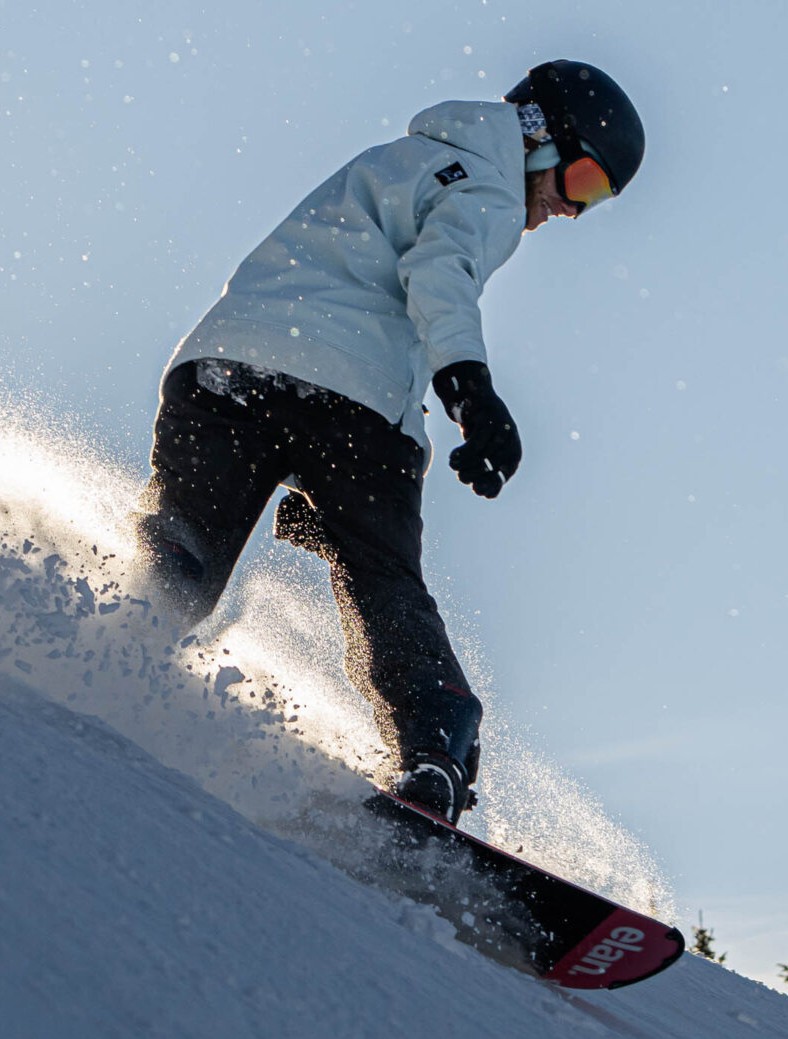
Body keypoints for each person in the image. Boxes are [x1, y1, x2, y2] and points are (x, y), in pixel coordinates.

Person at [134, 59, 645, 825]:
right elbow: (440, 273)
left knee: (185, 560)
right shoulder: (494, 183)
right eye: (581, 183)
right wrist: (472, 394)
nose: (571, 211)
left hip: (225, 371)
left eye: (595, 200)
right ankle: (435, 752)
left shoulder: (394, 159)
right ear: (540, 137)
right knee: (382, 579)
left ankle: (110, 638)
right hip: (355, 403)